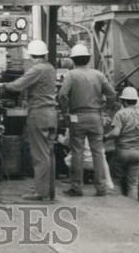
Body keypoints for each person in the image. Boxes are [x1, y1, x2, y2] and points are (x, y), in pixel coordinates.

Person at [0, 39, 58, 202]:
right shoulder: (50, 68)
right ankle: (48, 189)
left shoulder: (37, 69)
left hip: (39, 114)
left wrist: (2, 85)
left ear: (31, 55)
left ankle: (41, 192)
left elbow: (18, 85)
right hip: (51, 114)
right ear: (44, 54)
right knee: (48, 153)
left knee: (39, 155)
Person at [58, 43, 116, 197]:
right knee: (98, 152)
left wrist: (66, 111)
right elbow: (112, 94)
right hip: (96, 116)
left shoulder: (71, 75)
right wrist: (105, 108)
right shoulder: (98, 75)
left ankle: (76, 188)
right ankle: (101, 188)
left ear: (73, 60)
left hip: (77, 117)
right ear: (88, 59)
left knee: (77, 151)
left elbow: (62, 95)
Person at [105, 87, 139, 200]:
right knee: (133, 183)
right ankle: (133, 209)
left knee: (116, 180)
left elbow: (116, 133)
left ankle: (119, 207)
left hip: (122, 151)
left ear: (124, 101)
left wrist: (105, 137)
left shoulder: (120, 114)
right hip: (138, 153)